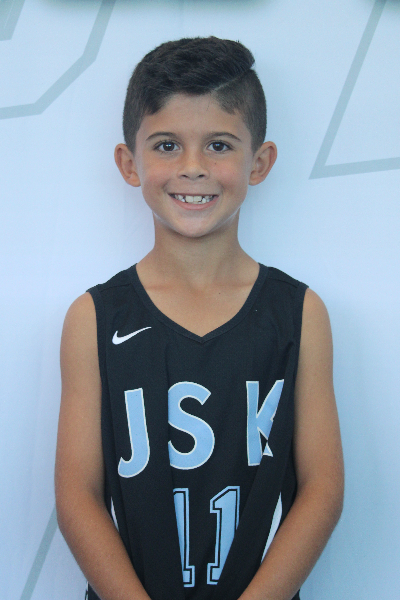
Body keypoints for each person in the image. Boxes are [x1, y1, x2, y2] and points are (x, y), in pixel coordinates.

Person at [55, 37, 344, 600]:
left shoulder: (300, 313)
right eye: (167, 145)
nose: (192, 168)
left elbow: (322, 490)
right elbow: (77, 497)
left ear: (259, 162)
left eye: (218, 145)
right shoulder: (92, 318)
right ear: (129, 163)